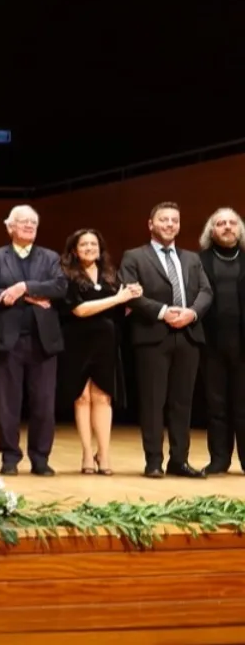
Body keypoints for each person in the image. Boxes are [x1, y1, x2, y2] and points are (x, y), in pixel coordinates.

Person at [119, 201, 213, 478]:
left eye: (174, 220)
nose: (170, 224)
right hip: (153, 336)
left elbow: (206, 291)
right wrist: (163, 312)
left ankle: (179, 461)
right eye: (164, 219)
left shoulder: (191, 258)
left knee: (182, 403)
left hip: (188, 335)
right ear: (151, 224)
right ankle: (154, 461)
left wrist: (191, 313)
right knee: (153, 401)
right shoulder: (134, 256)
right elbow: (130, 293)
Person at [0, 205, 66, 476]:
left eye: (33, 223)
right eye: (23, 222)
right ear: (10, 227)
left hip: (43, 342)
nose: (29, 226)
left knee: (44, 404)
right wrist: (27, 297)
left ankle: (40, 458)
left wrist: (23, 288)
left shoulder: (50, 257)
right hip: (7, 342)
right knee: (8, 404)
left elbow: (60, 287)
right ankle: (9, 458)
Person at [57, 229, 138, 476]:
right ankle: (86, 453)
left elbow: (123, 309)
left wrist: (131, 297)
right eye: (84, 244)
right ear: (74, 250)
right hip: (76, 343)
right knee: (82, 398)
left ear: (100, 249)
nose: (89, 248)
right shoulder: (66, 275)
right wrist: (117, 299)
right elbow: (79, 310)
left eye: (94, 244)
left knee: (103, 398)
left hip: (106, 343)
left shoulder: (111, 275)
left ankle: (103, 453)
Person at [198, 207, 244, 474]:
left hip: (243, 344)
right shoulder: (199, 261)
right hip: (211, 343)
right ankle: (219, 459)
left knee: (243, 405)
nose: (227, 227)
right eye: (220, 223)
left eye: (232, 223)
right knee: (216, 405)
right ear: (211, 231)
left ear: (240, 229)